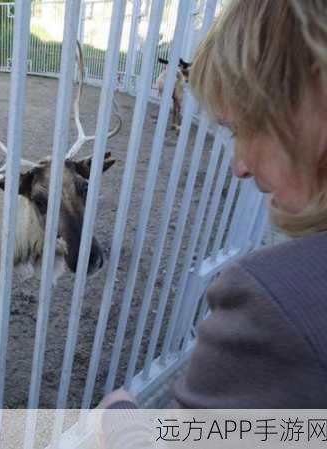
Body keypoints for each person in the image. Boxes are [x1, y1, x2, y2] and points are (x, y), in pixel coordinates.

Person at [97, 0, 327, 445]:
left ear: (311, 103)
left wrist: (121, 417)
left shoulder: (278, 302)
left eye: (244, 128)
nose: (239, 165)